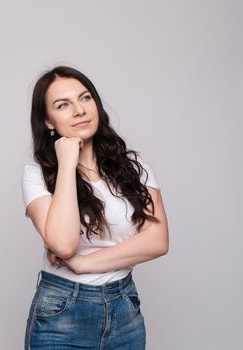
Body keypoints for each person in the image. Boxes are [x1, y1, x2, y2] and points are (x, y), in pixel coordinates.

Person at [21, 66, 169, 350]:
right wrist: (66, 162)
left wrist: (83, 263)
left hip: (125, 309)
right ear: (48, 122)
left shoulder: (132, 165)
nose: (79, 110)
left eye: (85, 98)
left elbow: (157, 240)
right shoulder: (37, 173)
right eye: (63, 105)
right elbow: (64, 245)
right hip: (62, 314)